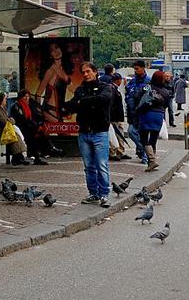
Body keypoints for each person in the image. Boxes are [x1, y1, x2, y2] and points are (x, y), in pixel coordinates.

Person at [62, 61, 113, 207]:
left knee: (102, 164)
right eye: (83, 72)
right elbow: (71, 105)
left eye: (88, 71)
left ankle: (104, 195)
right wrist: (75, 105)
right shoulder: (81, 89)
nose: (86, 74)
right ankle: (93, 194)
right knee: (88, 166)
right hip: (84, 132)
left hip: (99, 132)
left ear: (96, 71)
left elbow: (104, 99)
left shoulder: (105, 87)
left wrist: (81, 102)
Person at [137, 70, 171, 172]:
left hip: (147, 114)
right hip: (159, 116)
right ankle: (151, 162)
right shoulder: (165, 91)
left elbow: (138, 97)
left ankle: (151, 160)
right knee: (153, 139)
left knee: (143, 138)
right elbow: (166, 105)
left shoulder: (147, 87)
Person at [0, 92, 28, 165]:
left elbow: (8, 120)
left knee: (14, 135)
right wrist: (11, 120)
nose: (6, 100)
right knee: (14, 135)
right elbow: (5, 122)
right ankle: (17, 158)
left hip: (2, 130)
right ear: (1, 100)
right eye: (5, 99)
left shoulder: (1, 109)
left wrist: (10, 120)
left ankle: (17, 157)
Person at [35, 41, 71, 124]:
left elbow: (72, 89)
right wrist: (39, 112)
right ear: (50, 55)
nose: (56, 51)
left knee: (47, 135)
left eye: (57, 47)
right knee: (64, 134)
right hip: (50, 110)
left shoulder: (64, 68)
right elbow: (38, 93)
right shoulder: (50, 71)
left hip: (60, 111)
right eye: (52, 50)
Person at [10, 89, 48, 165]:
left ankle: (36, 156)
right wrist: (36, 126)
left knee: (37, 134)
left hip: (25, 127)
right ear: (21, 97)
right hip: (19, 128)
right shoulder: (16, 106)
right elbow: (21, 119)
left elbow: (30, 119)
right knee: (34, 136)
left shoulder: (27, 106)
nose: (27, 98)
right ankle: (41, 154)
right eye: (25, 96)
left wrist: (38, 125)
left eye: (28, 96)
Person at [100, 65, 130, 161]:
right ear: (118, 80)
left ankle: (118, 151)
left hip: (115, 116)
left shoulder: (109, 85)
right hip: (115, 117)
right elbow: (112, 104)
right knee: (115, 135)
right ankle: (114, 152)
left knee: (117, 134)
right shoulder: (112, 89)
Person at [124, 60, 150, 164]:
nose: (135, 70)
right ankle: (143, 151)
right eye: (134, 68)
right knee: (132, 132)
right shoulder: (133, 80)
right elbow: (128, 93)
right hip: (132, 112)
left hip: (143, 113)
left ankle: (145, 154)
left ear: (143, 68)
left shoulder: (148, 81)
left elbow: (148, 98)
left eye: (137, 68)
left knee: (140, 134)